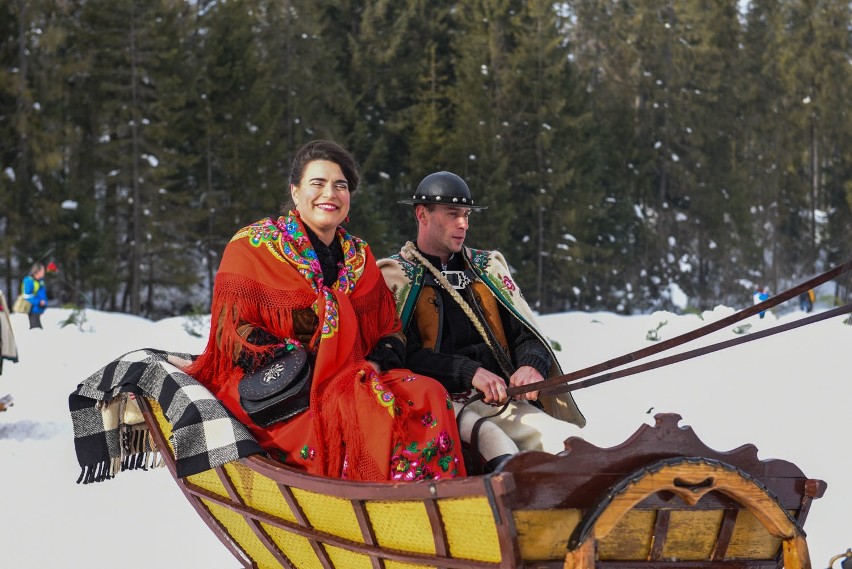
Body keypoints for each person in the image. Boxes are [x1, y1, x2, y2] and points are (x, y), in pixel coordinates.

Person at [187, 141, 466, 482]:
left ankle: (432, 498)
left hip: (356, 376)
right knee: (358, 411)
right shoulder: (252, 246)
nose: (329, 193)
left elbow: (389, 329)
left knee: (429, 392)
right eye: (317, 183)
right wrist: (304, 362)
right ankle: (372, 506)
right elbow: (231, 331)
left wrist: (375, 365)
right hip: (285, 387)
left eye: (340, 185)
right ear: (295, 192)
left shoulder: (360, 257)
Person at [378, 171, 585, 473]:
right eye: (452, 215)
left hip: (500, 400)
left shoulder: (487, 269)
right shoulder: (395, 277)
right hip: (437, 404)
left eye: (466, 215)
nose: (463, 224)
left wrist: (531, 365)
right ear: (422, 214)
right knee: (495, 444)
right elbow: (396, 360)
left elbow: (526, 335)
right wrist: (467, 371)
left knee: (568, 442)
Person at [20, 262, 48, 329]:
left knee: (38, 330)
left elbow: (42, 294)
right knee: (36, 330)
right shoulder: (28, 281)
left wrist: (44, 303)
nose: (44, 272)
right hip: (32, 310)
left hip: (39, 309)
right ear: (37, 271)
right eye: (42, 270)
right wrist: (39, 301)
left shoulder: (40, 281)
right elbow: (26, 296)